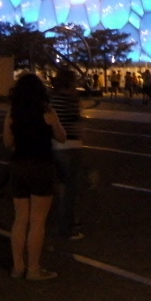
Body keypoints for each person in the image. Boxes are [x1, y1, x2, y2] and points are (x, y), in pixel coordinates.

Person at [3, 73, 67, 280]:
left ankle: (17, 267)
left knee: (20, 219)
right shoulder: (47, 112)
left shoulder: (12, 112)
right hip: (41, 165)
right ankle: (33, 269)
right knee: (38, 221)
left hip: (19, 165)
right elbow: (61, 137)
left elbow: (7, 142)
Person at [49, 67, 84, 241]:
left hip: (55, 146)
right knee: (72, 190)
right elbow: (76, 122)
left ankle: (61, 224)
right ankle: (69, 228)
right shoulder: (72, 100)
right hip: (71, 145)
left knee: (61, 188)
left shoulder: (53, 100)